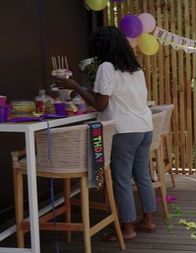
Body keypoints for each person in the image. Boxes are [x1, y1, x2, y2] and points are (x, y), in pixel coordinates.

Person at [54, 26, 156, 240]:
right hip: (145, 128)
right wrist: (86, 90)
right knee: (142, 176)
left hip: (124, 131)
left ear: (101, 46)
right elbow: (111, 97)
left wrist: (76, 87)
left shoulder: (106, 67)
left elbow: (100, 106)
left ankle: (128, 229)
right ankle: (148, 220)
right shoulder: (136, 69)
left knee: (121, 180)